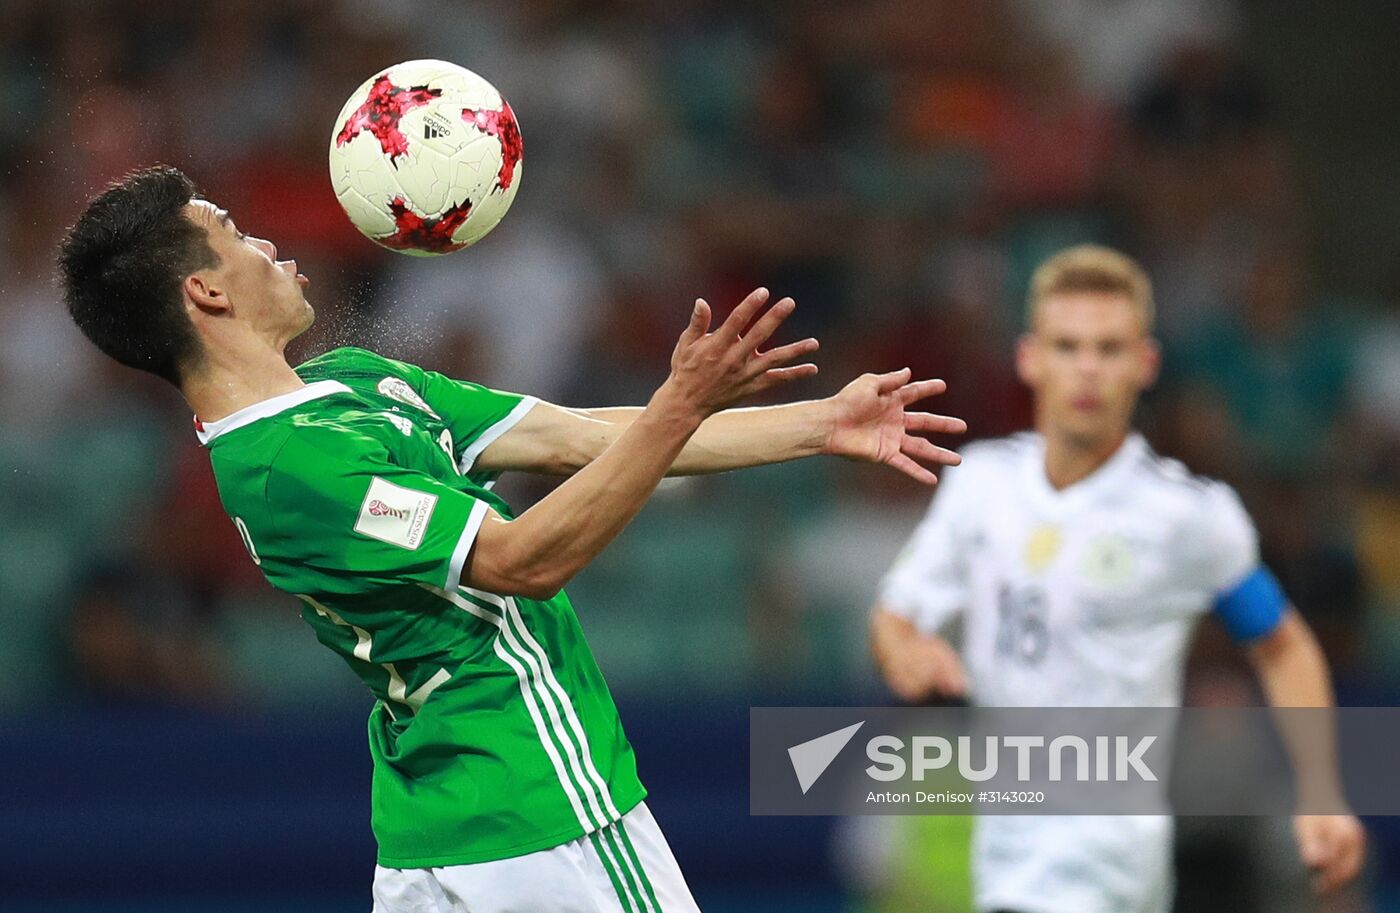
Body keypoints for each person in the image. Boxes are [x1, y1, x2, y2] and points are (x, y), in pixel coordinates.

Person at [56, 165, 965, 913]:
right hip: (543, 813)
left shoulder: (347, 387)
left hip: (438, 836)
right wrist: (683, 398)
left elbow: (577, 437)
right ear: (205, 290)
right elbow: (524, 559)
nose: (266, 242)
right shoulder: (285, 464)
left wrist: (820, 425)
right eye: (233, 231)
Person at [869, 245, 1365, 913]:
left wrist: (1321, 791)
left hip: (1106, 862)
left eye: (1109, 347)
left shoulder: (1188, 515)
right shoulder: (979, 486)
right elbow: (895, 613)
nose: (1088, 369)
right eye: (1068, 345)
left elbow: (1281, 642)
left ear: (1144, 363)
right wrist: (903, 651)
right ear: (1030, 357)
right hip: (1005, 858)